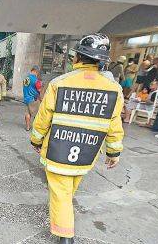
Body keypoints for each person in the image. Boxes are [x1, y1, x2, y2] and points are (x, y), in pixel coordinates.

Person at [31, 33, 124, 244]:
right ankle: (64, 222)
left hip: (58, 152)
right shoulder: (114, 89)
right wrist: (113, 152)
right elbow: (114, 123)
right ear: (101, 61)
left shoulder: (59, 83)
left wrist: (36, 140)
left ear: (77, 58)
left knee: (61, 195)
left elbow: (43, 117)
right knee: (68, 190)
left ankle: (66, 237)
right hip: (86, 154)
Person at [23, 65, 43, 131]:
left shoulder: (26, 78)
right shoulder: (36, 80)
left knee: (27, 113)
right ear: (35, 71)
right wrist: (41, 99)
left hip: (26, 98)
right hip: (34, 99)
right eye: (37, 72)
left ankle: (28, 127)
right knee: (36, 114)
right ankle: (35, 127)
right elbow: (39, 90)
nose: (37, 74)